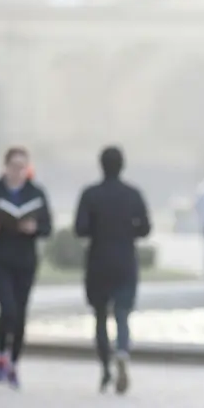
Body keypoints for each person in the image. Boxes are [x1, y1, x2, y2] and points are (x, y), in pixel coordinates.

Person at [0, 146, 53, 389]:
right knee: (7, 308)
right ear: (5, 167)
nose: (19, 171)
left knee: (20, 312)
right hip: (0, 259)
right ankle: (0, 354)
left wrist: (34, 228)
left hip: (25, 260)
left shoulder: (36, 192)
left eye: (23, 167)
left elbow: (47, 227)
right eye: (14, 166)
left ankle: (14, 363)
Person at [74, 146, 152, 394]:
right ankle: (122, 351)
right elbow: (145, 229)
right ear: (122, 165)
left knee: (99, 316)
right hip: (125, 260)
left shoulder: (90, 194)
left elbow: (80, 229)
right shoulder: (133, 194)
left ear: (101, 165)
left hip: (98, 261)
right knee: (122, 313)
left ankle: (105, 368)